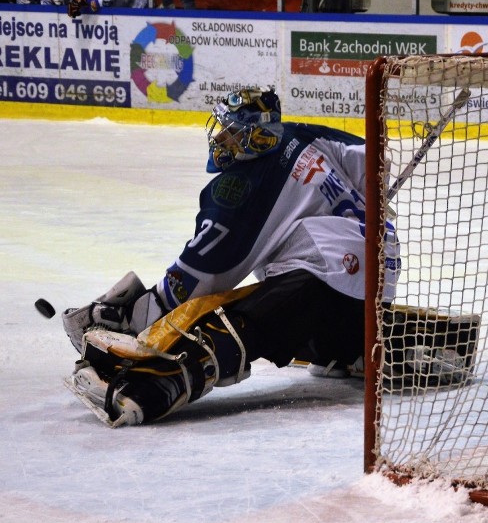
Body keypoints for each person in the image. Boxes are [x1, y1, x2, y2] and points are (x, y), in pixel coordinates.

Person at [62, 88, 401, 426]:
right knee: (304, 310)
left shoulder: (240, 187)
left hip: (323, 275)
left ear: (253, 136)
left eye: (231, 131)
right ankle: (345, 351)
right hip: (382, 273)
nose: (221, 138)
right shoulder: (299, 134)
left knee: (234, 322)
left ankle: (151, 386)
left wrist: (138, 314)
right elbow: (372, 159)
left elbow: (206, 273)